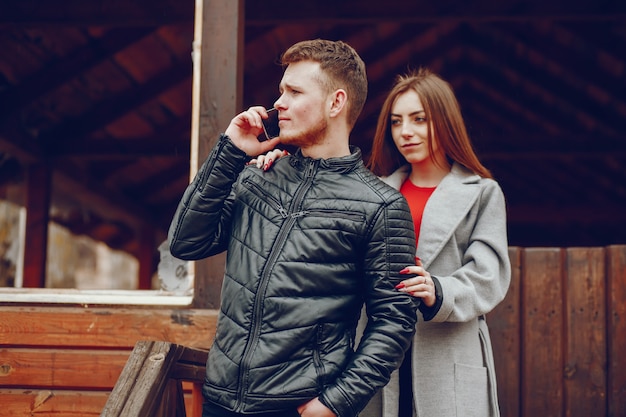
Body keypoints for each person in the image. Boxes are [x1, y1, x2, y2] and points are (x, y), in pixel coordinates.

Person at [168, 39, 420, 417]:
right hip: (220, 401)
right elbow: (186, 242)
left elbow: (394, 321)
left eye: (294, 92)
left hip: (299, 408)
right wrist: (230, 153)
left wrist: (335, 404)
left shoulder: (381, 206)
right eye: (280, 91)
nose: (278, 103)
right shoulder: (258, 177)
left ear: (336, 103)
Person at [255, 68, 511, 417]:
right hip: (375, 356)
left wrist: (439, 290)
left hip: (447, 353)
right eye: (396, 122)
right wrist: (283, 171)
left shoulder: (482, 193)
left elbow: (489, 276)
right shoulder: (371, 192)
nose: (406, 132)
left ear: (446, 123)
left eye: (419, 119)